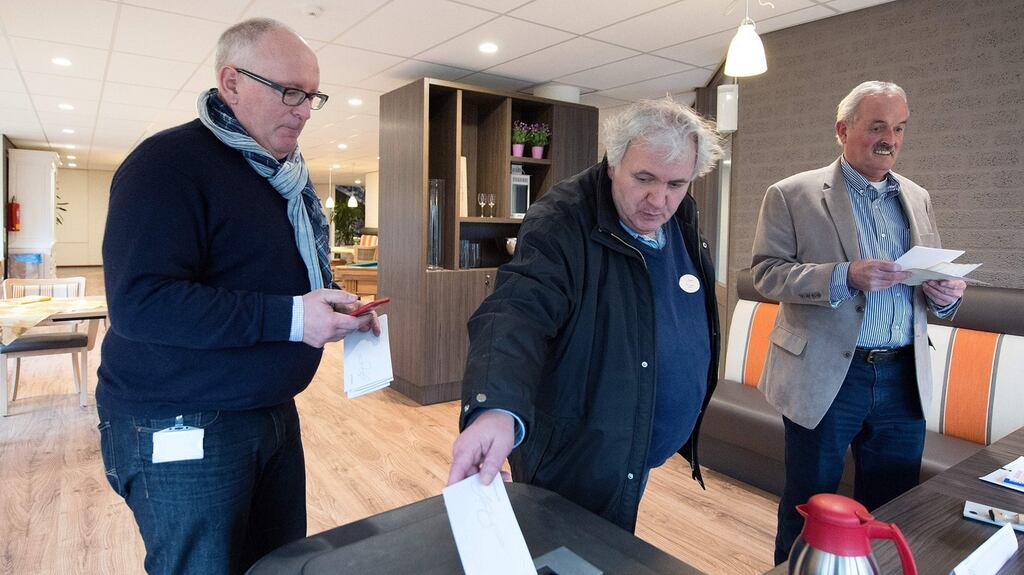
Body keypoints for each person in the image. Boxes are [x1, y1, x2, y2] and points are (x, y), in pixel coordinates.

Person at [96, 18, 379, 575]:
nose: (303, 109)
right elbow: (141, 302)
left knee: (277, 564)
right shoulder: (166, 165)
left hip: (269, 411)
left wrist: (329, 304)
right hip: (180, 418)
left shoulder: (283, 178)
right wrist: (294, 317)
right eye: (290, 91)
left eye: (312, 95)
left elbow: (268, 278)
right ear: (232, 82)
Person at [447, 97, 723, 532]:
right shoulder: (561, 220)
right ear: (614, 162)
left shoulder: (681, 213)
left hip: (636, 443)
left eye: (676, 183)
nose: (659, 199)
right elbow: (517, 312)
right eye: (644, 178)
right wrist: (495, 408)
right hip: (579, 448)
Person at [750, 81, 966, 564]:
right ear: (843, 130)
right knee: (811, 502)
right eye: (876, 127)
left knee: (892, 506)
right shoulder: (791, 193)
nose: (889, 138)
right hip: (826, 374)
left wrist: (945, 294)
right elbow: (766, 274)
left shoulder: (919, 197)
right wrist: (843, 276)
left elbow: (928, 287)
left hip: (901, 377)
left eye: (899, 128)